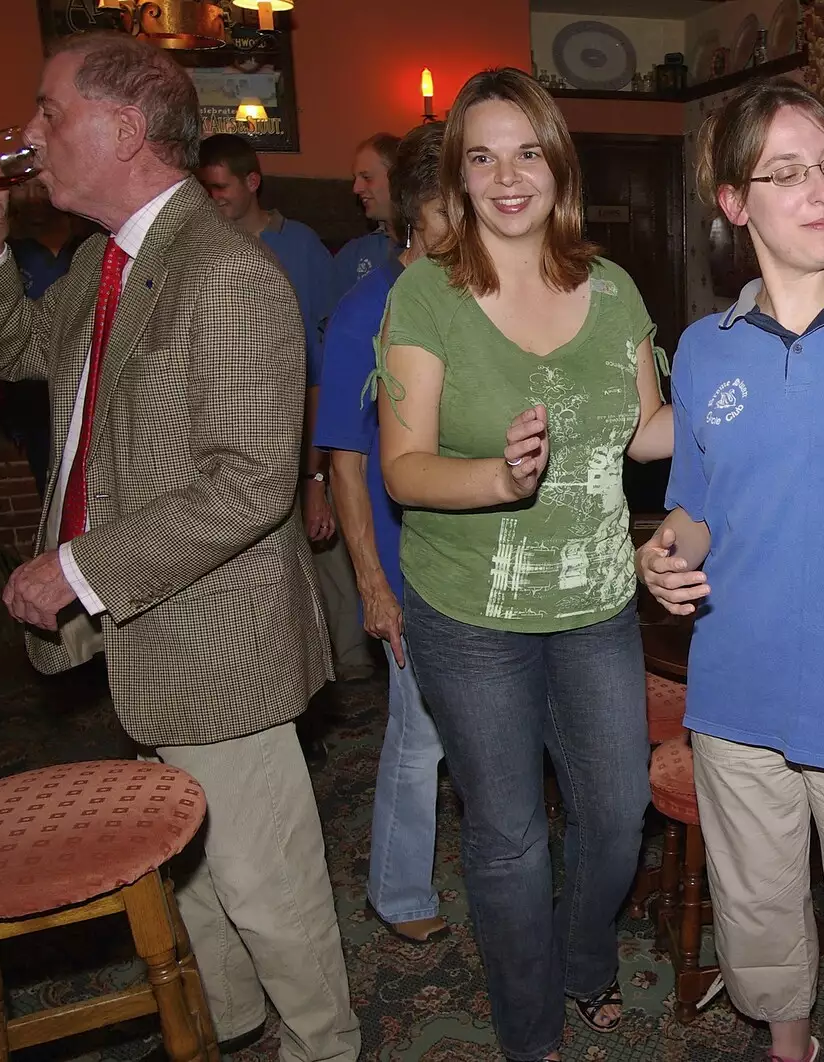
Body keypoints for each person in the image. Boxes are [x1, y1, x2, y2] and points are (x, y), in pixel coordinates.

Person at [0, 32, 359, 1062]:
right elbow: (15, 346)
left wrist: (73, 568)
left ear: (124, 129)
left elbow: (245, 484)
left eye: (49, 112)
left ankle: (324, 1047)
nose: (28, 135)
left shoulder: (226, 274)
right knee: (192, 866)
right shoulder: (112, 260)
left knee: (267, 890)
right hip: (153, 631)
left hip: (220, 645)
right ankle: (231, 1027)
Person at [636, 78, 824, 1062]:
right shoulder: (702, 350)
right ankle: (789, 1048)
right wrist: (665, 553)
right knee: (761, 921)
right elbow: (697, 505)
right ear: (733, 202)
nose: (820, 191)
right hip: (735, 697)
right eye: (785, 173)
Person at [376, 67, 672, 1062]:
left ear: (558, 165)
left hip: (596, 604)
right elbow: (404, 468)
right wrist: (500, 480)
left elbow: (647, 435)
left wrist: (757, 384)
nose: (508, 176)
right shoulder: (427, 292)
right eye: (482, 156)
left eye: (527, 152)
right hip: (466, 613)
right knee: (508, 839)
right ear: (458, 176)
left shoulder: (614, 285)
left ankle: (583, 957)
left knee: (617, 814)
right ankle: (528, 1030)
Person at [315, 121, 450, 943]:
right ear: (416, 212)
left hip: (480, 561)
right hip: (406, 564)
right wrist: (371, 582)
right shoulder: (367, 307)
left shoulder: (472, 298)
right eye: (450, 213)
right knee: (420, 734)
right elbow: (346, 460)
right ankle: (398, 891)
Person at [197, 133, 373, 699]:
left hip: (301, 417)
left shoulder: (297, 245)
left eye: (220, 186)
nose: (213, 197)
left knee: (324, 542)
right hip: (230, 425)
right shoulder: (201, 245)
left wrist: (314, 467)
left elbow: (325, 351)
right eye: (205, 188)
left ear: (252, 183)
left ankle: (349, 659)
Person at [0, 179, 92, 490]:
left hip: (90, 392)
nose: (32, 198)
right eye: (22, 187)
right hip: (33, 403)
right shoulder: (3, 250)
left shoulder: (92, 243)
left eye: (40, 187)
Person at [333, 132, 401, 295]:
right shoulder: (353, 255)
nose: (356, 189)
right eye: (355, 179)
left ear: (398, 179)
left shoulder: (433, 249)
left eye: (367, 177)